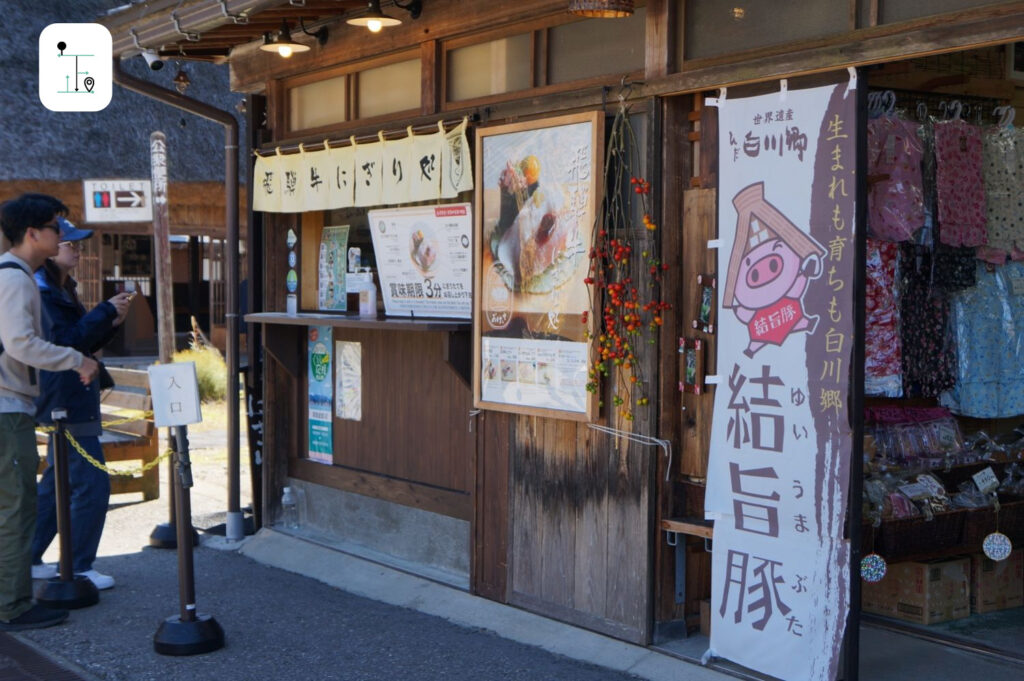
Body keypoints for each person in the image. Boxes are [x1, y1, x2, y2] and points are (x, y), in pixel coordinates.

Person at [0, 193, 98, 631]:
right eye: (56, 227)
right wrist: (77, 359)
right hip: (7, 408)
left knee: (15, 504)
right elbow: (19, 343)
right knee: (16, 508)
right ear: (33, 233)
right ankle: (12, 605)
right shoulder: (17, 278)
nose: (62, 235)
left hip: (11, 406)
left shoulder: (15, 275)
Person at [31, 218, 132, 591]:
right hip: (66, 396)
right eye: (68, 242)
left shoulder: (58, 287)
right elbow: (66, 343)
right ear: (46, 247)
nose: (75, 247)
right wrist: (105, 312)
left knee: (56, 485)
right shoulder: (43, 290)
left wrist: (112, 320)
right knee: (91, 484)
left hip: (66, 394)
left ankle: (31, 556)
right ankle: (77, 565)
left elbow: (81, 341)